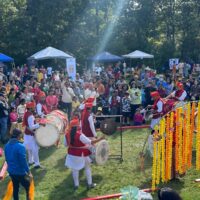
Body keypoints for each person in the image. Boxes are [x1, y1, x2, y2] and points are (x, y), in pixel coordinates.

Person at [65, 117, 105, 190]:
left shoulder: (67, 134)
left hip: (71, 154)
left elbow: (65, 144)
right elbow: (91, 142)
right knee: (87, 168)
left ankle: (76, 185)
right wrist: (100, 139)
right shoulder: (79, 135)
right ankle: (90, 184)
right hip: (81, 154)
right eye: (78, 125)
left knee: (74, 170)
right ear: (76, 126)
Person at [4, 128, 32, 200]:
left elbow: (7, 159)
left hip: (11, 172)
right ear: (19, 136)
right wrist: (28, 172)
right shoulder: (20, 146)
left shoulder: (6, 146)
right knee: (28, 186)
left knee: (16, 188)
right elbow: (23, 161)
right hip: (20, 172)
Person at [23, 101, 43, 168]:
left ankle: (30, 161)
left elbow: (28, 125)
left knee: (29, 149)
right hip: (31, 135)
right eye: (33, 107)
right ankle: (36, 164)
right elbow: (31, 127)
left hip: (27, 134)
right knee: (35, 149)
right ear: (30, 108)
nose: (34, 108)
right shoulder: (30, 116)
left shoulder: (26, 113)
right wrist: (39, 124)